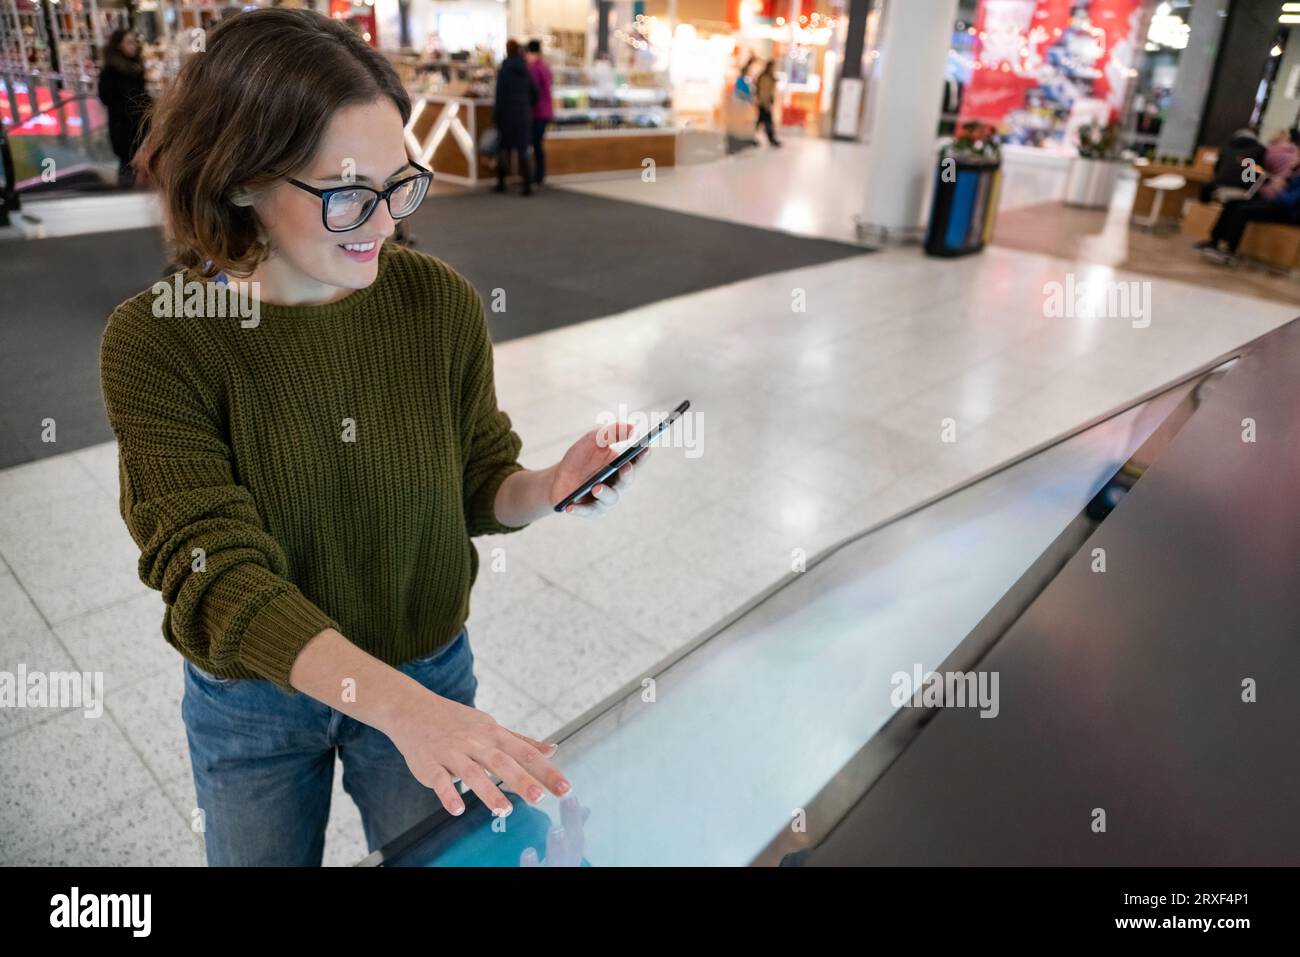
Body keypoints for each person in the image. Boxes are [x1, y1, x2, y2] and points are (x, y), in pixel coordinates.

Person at [101, 8, 653, 866]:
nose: (384, 222)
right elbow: (214, 574)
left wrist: (546, 485)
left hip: (427, 662)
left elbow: (476, 476)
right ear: (239, 177)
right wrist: (393, 704)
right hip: (256, 702)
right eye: (350, 194)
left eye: (402, 185)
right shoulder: (161, 340)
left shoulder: (435, 302)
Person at [1197, 170, 1300, 264]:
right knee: (1232, 203)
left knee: (1243, 210)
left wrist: (1279, 189)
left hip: (1289, 213)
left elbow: (1289, 201)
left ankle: (1229, 251)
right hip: (1277, 205)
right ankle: (1214, 241)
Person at [97, 29, 152, 184]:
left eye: (135, 41)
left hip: (140, 124)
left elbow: (141, 93)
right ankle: (126, 192)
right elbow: (107, 97)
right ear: (118, 45)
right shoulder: (111, 70)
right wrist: (129, 111)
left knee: (139, 163)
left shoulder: (136, 67)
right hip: (123, 128)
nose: (133, 45)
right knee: (127, 164)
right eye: (129, 42)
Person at [493, 39, 536, 195]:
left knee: (503, 149)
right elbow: (534, 93)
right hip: (523, 114)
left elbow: (500, 95)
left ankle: (501, 183)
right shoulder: (526, 69)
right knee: (524, 149)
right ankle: (527, 184)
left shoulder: (504, 70)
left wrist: (496, 116)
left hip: (507, 115)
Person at [1199, 127, 1266, 203]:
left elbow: (1216, 169)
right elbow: (1260, 171)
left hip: (1220, 184)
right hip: (1244, 187)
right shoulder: (1260, 150)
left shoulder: (1226, 147)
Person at [525, 39, 553, 188]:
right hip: (546, 110)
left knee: (534, 144)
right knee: (537, 143)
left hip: (537, 111)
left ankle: (537, 175)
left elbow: (533, 91)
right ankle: (540, 174)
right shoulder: (544, 67)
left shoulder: (533, 68)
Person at [754, 60, 780, 147]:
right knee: (767, 121)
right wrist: (765, 103)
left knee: (761, 121)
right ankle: (771, 139)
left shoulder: (769, 77)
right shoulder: (764, 78)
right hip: (764, 103)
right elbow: (763, 92)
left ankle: (750, 137)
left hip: (765, 102)